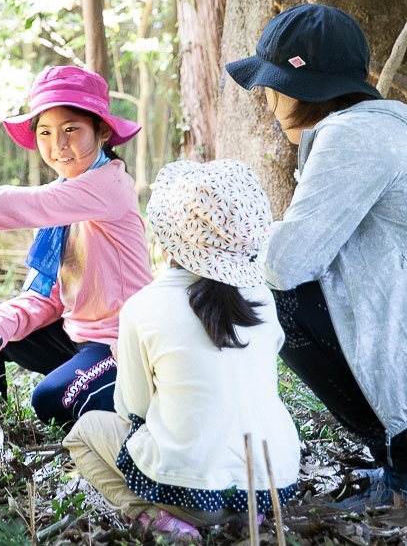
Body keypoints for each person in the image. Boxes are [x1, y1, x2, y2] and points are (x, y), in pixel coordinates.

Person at [225, 3, 407, 505]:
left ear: (299, 85)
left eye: (270, 85)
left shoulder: (351, 136)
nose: (265, 99)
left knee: (269, 296)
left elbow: (285, 266)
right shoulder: (400, 125)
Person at [63, 159, 300, 537]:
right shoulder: (261, 298)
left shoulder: (144, 307)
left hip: (190, 494)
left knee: (83, 433)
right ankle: (245, 520)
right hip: (269, 484)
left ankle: (158, 520)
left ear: (168, 235)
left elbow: (134, 410)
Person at [0, 65, 152, 427]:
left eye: (71, 129)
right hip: (74, 338)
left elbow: (30, 204)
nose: (57, 145)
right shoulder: (65, 206)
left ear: (103, 130)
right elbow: (46, 299)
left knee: (48, 399)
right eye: (45, 132)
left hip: (120, 348)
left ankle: (137, 408)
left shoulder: (109, 186)